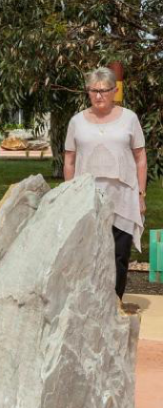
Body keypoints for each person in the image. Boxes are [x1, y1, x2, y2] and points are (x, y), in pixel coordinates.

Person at [64, 67, 146, 300]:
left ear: (114, 91)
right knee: (88, 254)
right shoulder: (77, 122)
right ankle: (88, 304)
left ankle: (114, 303)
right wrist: (68, 194)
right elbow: (69, 160)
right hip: (86, 199)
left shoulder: (129, 118)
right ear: (88, 92)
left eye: (104, 91)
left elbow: (141, 157)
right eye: (94, 91)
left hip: (122, 198)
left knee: (118, 255)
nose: (99, 96)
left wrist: (141, 194)